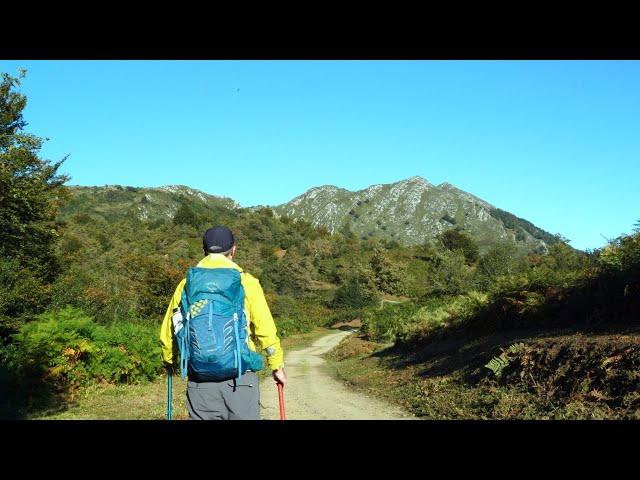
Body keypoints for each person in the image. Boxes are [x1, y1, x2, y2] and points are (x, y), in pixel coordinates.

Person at [160, 225, 287, 420]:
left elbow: (171, 328)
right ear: (233, 250)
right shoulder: (246, 282)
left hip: (200, 380)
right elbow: (265, 330)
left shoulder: (186, 285)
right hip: (241, 379)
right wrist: (276, 365)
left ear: (204, 251)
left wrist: (169, 360)